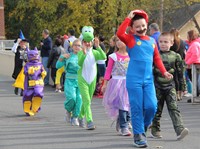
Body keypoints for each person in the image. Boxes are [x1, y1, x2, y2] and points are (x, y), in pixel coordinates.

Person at [116, 10, 173, 148]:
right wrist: (128, 18)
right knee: (136, 108)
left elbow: (157, 58)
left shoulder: (152, 41)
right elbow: (119, 34)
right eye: (137, 27)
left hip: (148, 81)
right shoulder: (130, 39)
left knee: (151, 107)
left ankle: (142, 127)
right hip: (133, 80)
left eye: (143, 26)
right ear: (132, 28)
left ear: (146, 24)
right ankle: (139, 135)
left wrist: (164, 72)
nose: (141, 29)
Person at [151, 32, 189, 140]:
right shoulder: (155, 55)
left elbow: (181, 73)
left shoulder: (176, 56)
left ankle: (180, 130)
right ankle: (155, 129)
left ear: (171, 43)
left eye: (166, 42)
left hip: (170, 87)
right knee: (157, 109)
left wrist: (183, 87)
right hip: (157, 86)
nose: (163, 44)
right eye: (161, 42)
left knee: (174, 108)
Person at [77, 26, 106, 130]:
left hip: (92, 79)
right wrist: (84, 54)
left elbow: (103, 57)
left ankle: (80, 116)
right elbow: (79, 63)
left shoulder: (95, 52)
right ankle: (89, 121)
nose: (88, 44)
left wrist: (98, 47)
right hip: (83, 79)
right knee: (87, 100)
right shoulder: (80, 52)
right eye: (86, 42)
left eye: (90, 42)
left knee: (87, 101)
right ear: (82, 42)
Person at [102, 38, 131, 136]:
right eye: (117, 40)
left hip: (129, 82)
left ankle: (124, 120)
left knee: (128, 104)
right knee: (122, 103)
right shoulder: (113, 56)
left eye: (121, 40)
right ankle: (124, 127)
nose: (119, 42)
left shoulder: (131, 55)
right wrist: (105, 84)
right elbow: (108, 70)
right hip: (117, 83)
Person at [56, 39, 82, 126]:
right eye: (75, 45)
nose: (77, 47)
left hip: (81, 81)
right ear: (72, 46)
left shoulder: (84, 56)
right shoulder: (68, 56)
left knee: (79, 100)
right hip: (70, 80)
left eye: (79, 45)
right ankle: (68, 110)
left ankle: (75, 117)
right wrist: (61, 58)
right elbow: (58, 66)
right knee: (72, 98)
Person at [23, 48, 46, 116]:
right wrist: (29, 71)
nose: (34, 56)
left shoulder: (40, 64)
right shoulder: (27, 65)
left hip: (38, 83)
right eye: (32, 55)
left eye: (35, 55)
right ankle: (27, 109)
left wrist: (44, 73)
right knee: (28, 96)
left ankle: (35, 107)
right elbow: (25, 72)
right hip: (29, 84)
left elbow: (43, 71)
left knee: (39, 94)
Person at [170, 28, 187, 101]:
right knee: (181, 78)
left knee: (175, 78)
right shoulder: (182, 42)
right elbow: (184, 52)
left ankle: (176, 94)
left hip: (173, 61)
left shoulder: (171, 42)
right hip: (181, 61)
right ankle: (181, 93)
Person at [12, 30, 29, 96]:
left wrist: (26, 50)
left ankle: (22, 91)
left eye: (23, 42)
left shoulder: (26, 49)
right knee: (17, 77)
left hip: (24, 66)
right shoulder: (17, 48)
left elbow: (29, 56)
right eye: (21, 42)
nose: (22, 44)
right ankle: (16, 88)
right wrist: (17, 43)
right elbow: (13, 50)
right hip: (18, 65)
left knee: (24, 78)